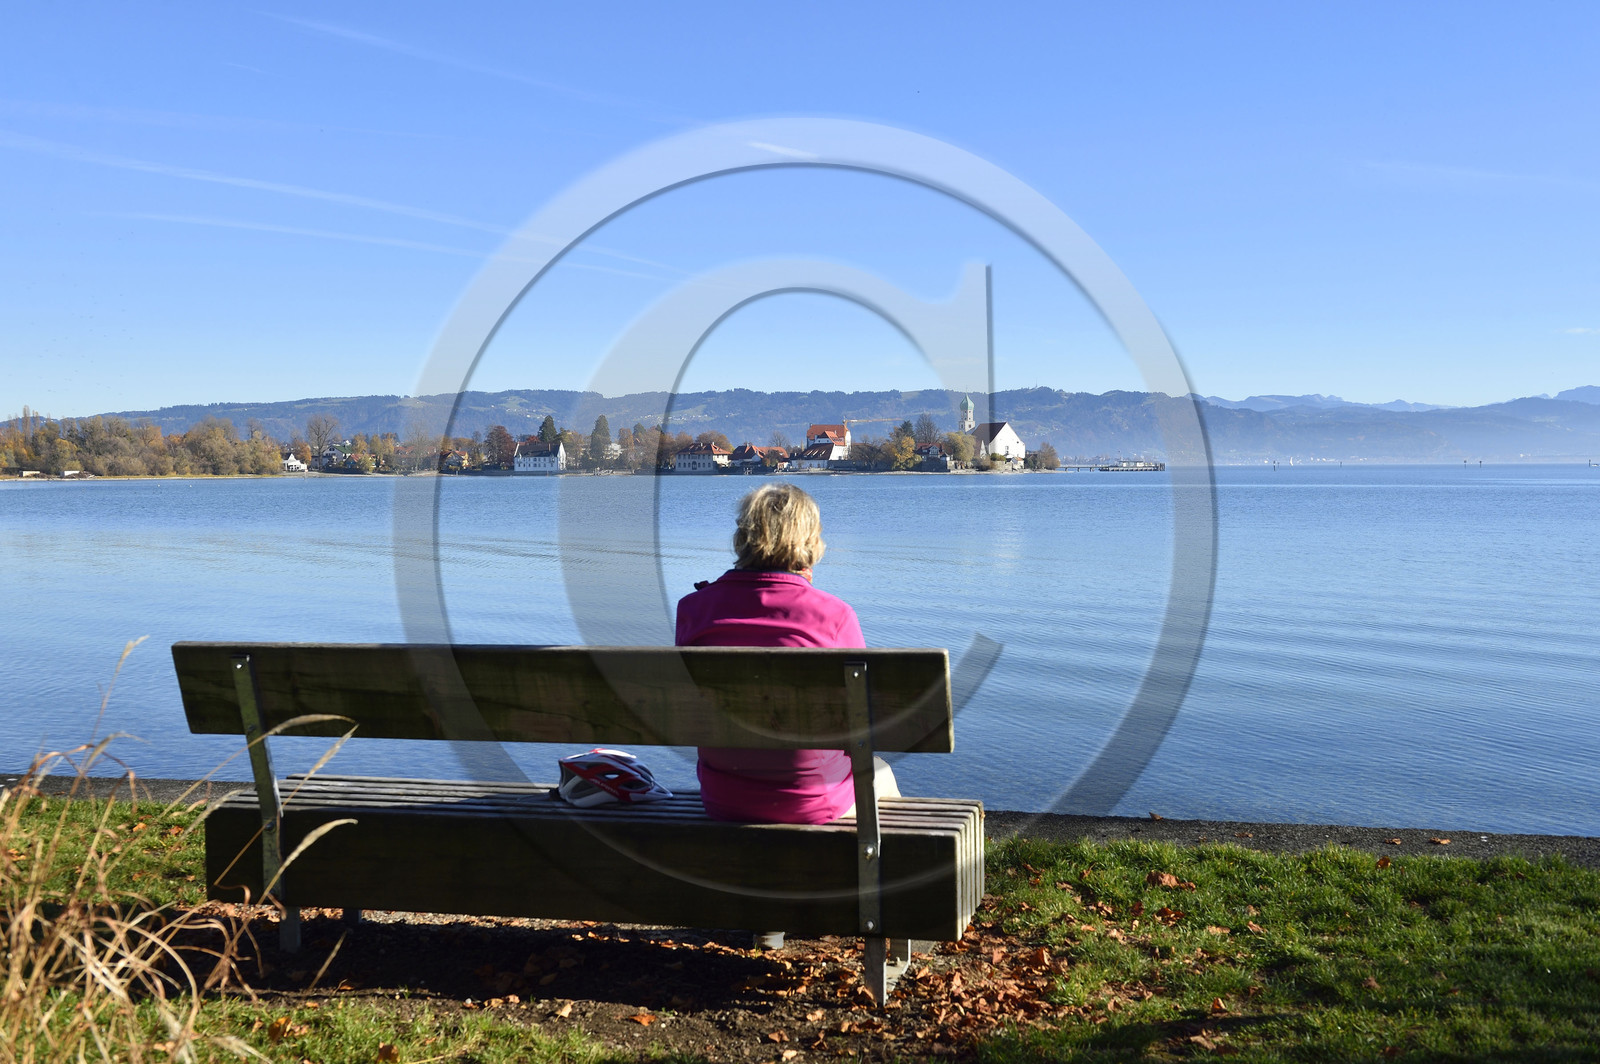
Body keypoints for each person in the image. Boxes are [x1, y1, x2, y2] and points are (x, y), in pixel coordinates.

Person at [675, 482, 898, 824]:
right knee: (879, 771)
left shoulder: (694, 610)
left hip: (722, 796)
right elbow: (864, 721)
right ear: (810, 541)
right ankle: (877, 872)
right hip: (811, 799)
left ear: (743, 537)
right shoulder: (834, 616)